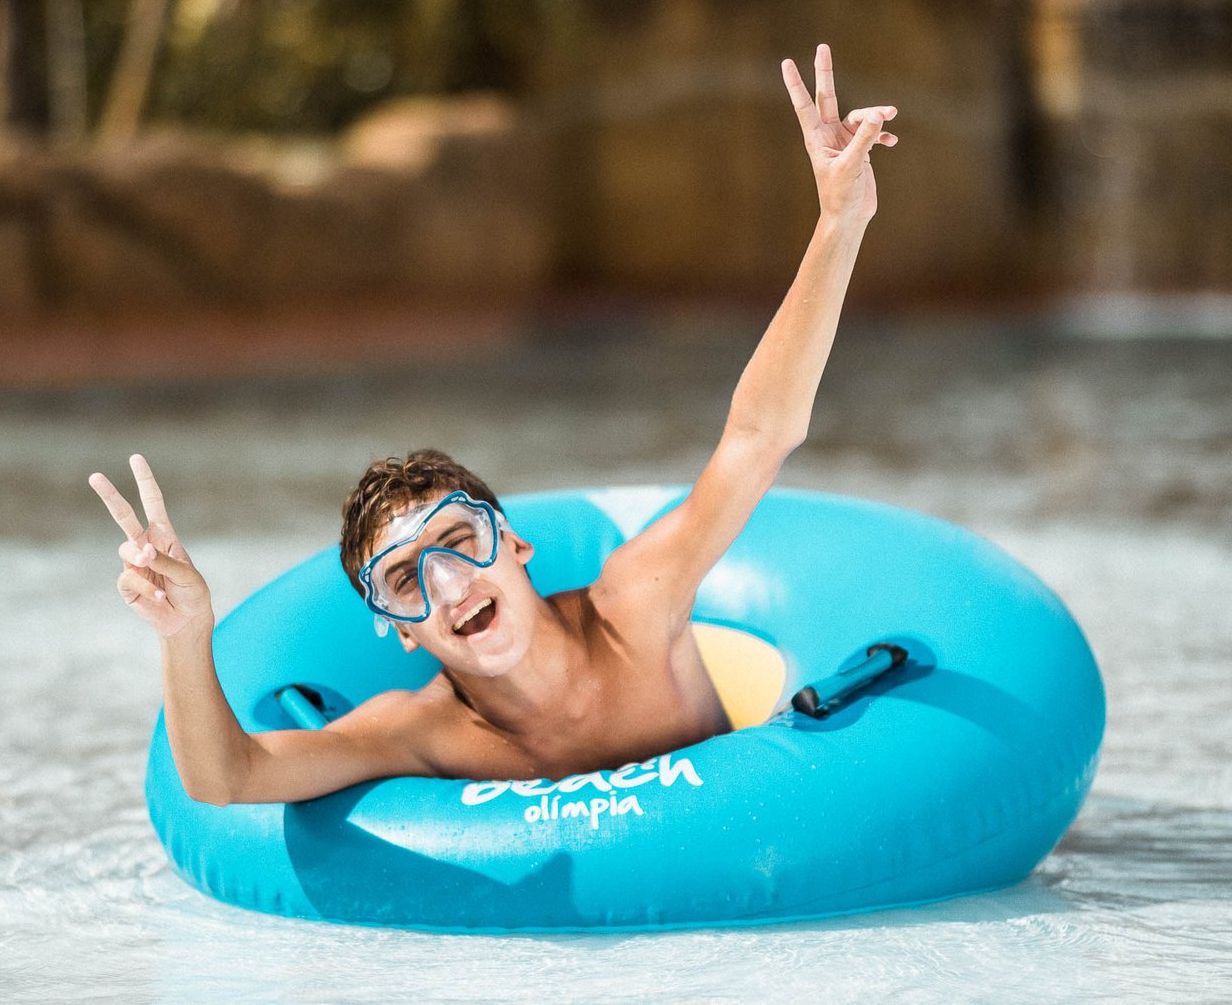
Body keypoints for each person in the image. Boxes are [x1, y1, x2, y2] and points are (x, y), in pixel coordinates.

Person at [90, 43, 897, 806]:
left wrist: (839, 224)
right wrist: (185, 632)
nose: (449, 583)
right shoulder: (426, 732)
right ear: (397, 632)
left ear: (514, 543)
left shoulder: (637, 606)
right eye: (405, 579)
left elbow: (758, 436)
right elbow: (227, 779)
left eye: (462, 539)